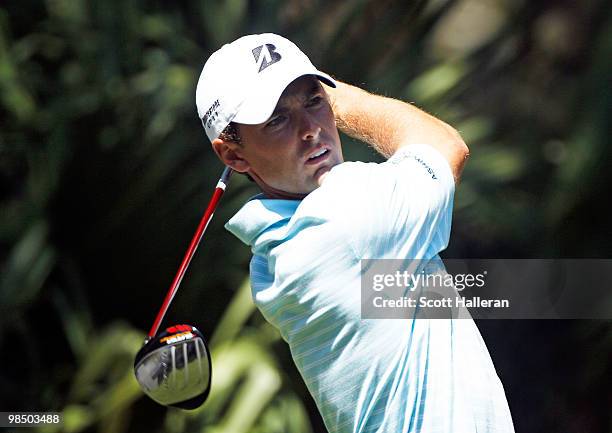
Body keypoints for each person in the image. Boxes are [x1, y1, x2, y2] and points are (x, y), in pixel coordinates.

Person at [196, 33, 515, 433]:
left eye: (314, 101)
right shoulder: (349, 216)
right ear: (232, 155)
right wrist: (336, 96)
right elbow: (446, 145)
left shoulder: (271, 257)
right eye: (277, 119)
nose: (310, 129)